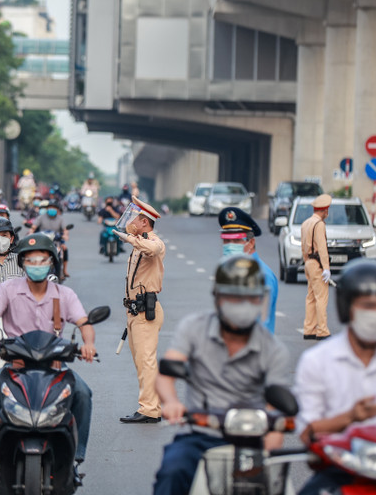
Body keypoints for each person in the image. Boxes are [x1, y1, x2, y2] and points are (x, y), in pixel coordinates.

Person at [153, 256, 288, 495]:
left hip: (252, 441)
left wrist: (273, 436)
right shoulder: (194, 327)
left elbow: (276, 405)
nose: (243, 304)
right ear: (218, 299)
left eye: (250, 298)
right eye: (235, 297)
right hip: (202, 434)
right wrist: (172, 402)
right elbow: (166, 373)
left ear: (260, 300)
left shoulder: (273, 348)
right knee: (172, 471)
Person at [294, 260, 376, 495]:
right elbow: (307, 434)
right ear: (348, 308)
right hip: (339, 472)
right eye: (368, 306)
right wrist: (351, 417)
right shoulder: (317, 361)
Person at [0, 233, 97, 473]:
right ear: (22, 263)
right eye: (31, 260)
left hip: (55, 366)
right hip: (16, 365)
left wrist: (88, 344)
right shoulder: (8, 289)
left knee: (83, 394)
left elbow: (84, 323)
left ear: (51, 262)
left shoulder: (64, 294)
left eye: (42, 260)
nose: (37, 265)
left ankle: (76, 455)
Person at [114, 198, 166, 423]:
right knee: (141, 362)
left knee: (146, 361)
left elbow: (153, 249)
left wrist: (131, 239)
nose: (129, 221)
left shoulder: (152, 242)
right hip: (135, 311)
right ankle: (152, 405)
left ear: (144, 221)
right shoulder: (139, 241)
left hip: (147, 310)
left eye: (133, 218)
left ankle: (149, 410)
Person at [217, 207, 279, 333]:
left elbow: (259, 325)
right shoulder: (231, 271)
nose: (230, 245)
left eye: (236, 240)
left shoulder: (262, 275)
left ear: (250, 243)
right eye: (226, 240)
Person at [301, 194, 333, 340]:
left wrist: (306, 261)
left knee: (311, 297)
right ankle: (322, 330)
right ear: (324, 210)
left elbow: (303, 247)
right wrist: (326, 267)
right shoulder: (319, 224)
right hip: (317, 263)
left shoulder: (306, 223)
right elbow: (322, 248)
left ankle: (309, 329)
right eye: (327, 210)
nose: (328, 213)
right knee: (321, 297)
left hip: (308, 262)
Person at [32, 201, 70, 278]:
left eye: (54, 208)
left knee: (65, 249)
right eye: (50, 207)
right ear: (47, 209)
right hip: (42, 241)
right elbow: (33, 227)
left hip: (56, 241)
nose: (52, 209)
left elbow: (65, 230)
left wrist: (65, 235)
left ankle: (64, 271)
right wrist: (30, 233)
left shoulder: (61, 219)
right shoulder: (41, 217)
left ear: (57, 209)